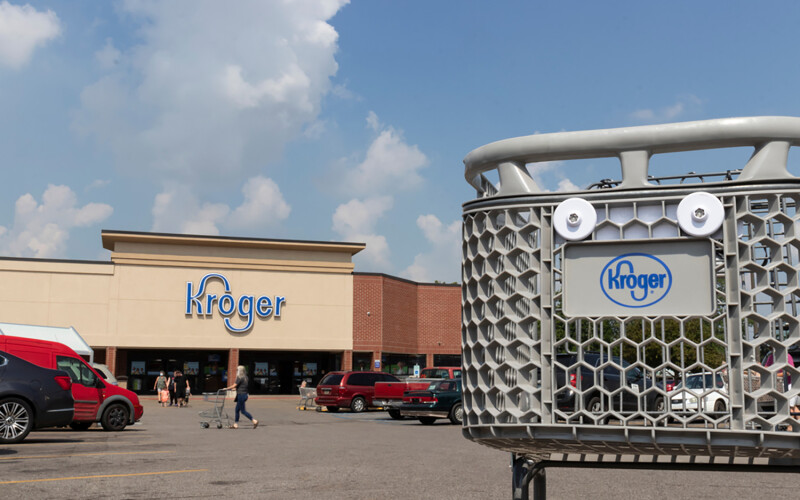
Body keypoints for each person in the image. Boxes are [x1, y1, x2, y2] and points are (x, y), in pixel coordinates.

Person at [763, 350, 799, 420]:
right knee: (793, 406)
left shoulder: (787, 356)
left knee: (789, 406)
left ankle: (790, 426)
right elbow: (766, 369)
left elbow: (790, 371)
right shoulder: (771, 357)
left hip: (790, 385)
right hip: (779, 386)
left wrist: (776, 375)